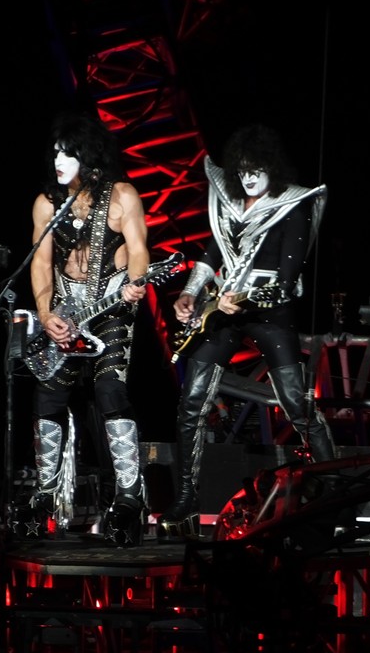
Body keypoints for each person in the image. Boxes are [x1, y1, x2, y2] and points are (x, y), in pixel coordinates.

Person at [158, 123, 335, 540]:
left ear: (272, 166)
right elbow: (212, 253)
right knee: (191, 402)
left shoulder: (293, 206)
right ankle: (186, 497)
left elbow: (286, 282)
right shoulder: (229, 204)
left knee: (296, 404)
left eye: (256, 169)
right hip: (222, 310)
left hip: (269, 311)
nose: (249, 177)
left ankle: (333, 487)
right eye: (241, 170)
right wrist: (190, 293)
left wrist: (242, 300)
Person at [27, 110, 149, 547]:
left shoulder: (122, 196)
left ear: (89, 156)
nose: (58, 161)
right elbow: (40, 264)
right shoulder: (47, 203)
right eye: (55, 153)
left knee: (110, 390)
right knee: (48, 395)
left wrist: (136, 282)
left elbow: (139, 250)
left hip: (111, 304)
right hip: (64, 309)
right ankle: (44, 495)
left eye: (69, 153)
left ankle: (130, 497)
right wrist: (46, 315)